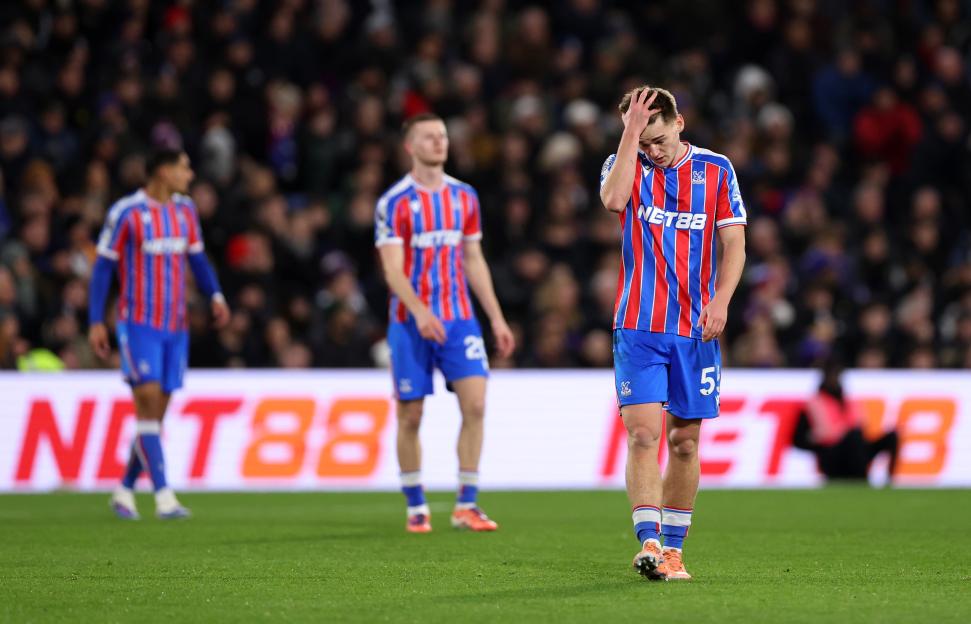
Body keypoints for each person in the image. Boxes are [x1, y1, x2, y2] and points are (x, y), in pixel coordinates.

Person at [600, 87, 747, 580]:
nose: (652, 151)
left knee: (684, 443)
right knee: (643, 435)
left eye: (658, 139)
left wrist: (722, 300)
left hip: (694, 330)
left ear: (680, 123)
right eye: (644, 142)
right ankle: (649, 540)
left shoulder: (717, 170)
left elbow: (735, 244)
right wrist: (630, 135)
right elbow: (613, 200)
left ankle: (674, 551)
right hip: (638, 325)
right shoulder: (626, 162)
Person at [375, 113, 515, 533]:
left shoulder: (464, 197)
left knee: (475, 404)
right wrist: (419, 311)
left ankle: (466, 504)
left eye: (443, 136)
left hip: (459, 321)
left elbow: (473, 259)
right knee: (411, 415)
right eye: (429, 137)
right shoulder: (394, 202)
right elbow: (393, 270)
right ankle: (416, 504)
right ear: (409, 146)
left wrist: (496, 317)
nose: (439, 142)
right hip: (409, 323)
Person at [88, 148, 230, 520]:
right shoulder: (127, 213)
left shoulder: (185, 211)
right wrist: (94, 320)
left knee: (156, 414)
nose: (191, 173)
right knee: (148, 399)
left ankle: (123, 490)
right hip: (138, 323)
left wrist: (215, 294)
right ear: (163, 171)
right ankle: (164, 496)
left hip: (175, 325)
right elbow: (104, 268)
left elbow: (197, 259)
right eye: (184, 167)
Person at [793, 361, 899, 482]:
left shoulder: (849, 401)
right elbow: (798, 440)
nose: (834, 379)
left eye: (836, 375)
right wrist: (817, 442)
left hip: (858, 450)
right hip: (832, 455)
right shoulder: (813, 404)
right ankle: (862, 478)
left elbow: (861, 428)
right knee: (853, 437)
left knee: (891, 437)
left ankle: (890, 479)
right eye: (831, 375)